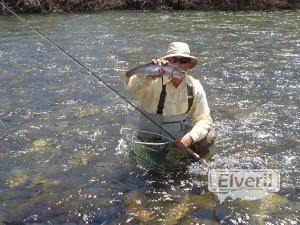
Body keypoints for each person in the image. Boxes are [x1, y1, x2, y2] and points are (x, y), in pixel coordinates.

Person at [124, 42, 215, 157]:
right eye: (173, 59)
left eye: (183, 60)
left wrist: (190, 138)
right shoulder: (151, 80)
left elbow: (204, 119)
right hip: (150, 140)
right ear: (167, 62)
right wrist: (148, 76)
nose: (178, 64)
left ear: (189, 65)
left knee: (208, 137)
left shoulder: (195, 86)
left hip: (176, 141)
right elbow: (133, 90)